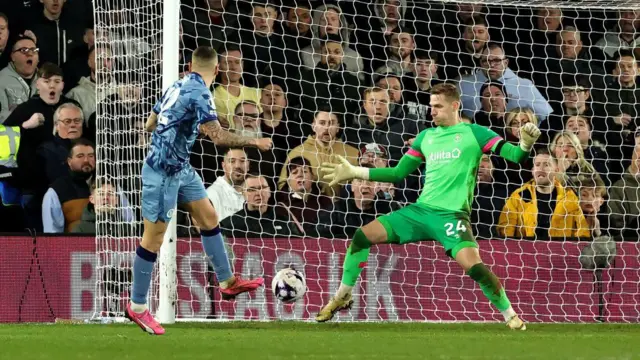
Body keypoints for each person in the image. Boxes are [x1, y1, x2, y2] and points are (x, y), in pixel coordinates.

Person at [316, 83, 541, 330]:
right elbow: (399, 172)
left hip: (452, 216)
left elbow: (516, 157)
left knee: (475, 268)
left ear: (455, 106)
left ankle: (510, 315)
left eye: (437, 106)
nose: (431, 111)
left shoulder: (477, 133)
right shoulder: (426, 137)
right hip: (420, 212)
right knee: (361, 236)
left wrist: (525, 145)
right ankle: (342, 295)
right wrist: (355, 171)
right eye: (430, 106)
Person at [125, 46, 272, 335]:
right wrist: (255, 142)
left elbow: (150, 123)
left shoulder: (176, 85)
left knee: (208, 217)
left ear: (190, 65)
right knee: (153, 239)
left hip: (181, 168)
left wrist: (183, 126)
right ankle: (138, 306)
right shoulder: (202, 93)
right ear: (217, 71)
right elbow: (219, 138)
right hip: (163, 172)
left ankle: (227, 281)